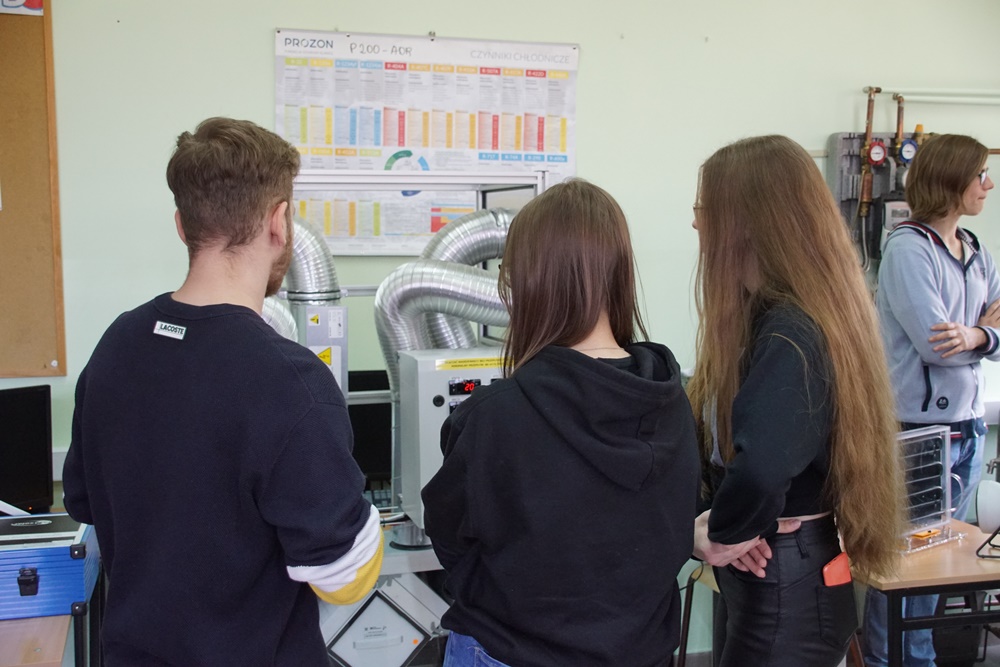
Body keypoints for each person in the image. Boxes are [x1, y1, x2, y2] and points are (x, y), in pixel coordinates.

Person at [62, 117, 383, 666]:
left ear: (182, 225)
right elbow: (342, 576)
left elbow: (82, 502)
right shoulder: (290, 380)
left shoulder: (118, 343)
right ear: (279, 222)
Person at [421, 179, 700, 667]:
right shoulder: (671, 403)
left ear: (530, 283)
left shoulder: (493, 417)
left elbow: (449, 537)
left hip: (509, 651)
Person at [686, 135, 904, 667]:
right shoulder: (772, 322)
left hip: (785, 586)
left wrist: (719, 534)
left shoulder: (791, 333)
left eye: (704, 209)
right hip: (774, 574)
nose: (695, 224)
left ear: (744, 222)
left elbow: (761, 467)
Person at [863, 133, 999, 667]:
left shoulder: (976, 250)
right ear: (951, 180)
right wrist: (979, 335)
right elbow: (935, 345)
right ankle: (895, 661)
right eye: (980, 175)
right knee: (905, 569)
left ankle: (918, 659)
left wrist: (976, 335)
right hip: (917, 432)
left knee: (940, 566)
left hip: (969, 428)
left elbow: (976, 336)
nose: (989, 185)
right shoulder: (908, 248)